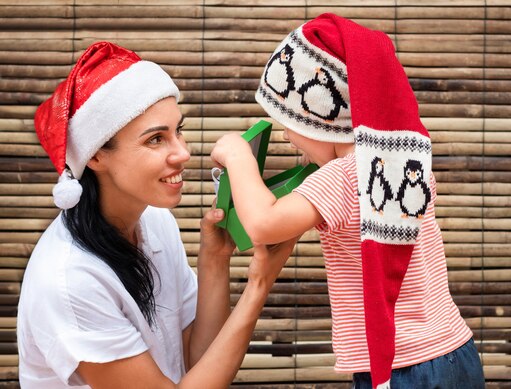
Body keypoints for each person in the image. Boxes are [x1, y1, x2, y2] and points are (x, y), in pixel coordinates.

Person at [211, 13, 485, 389]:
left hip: (403, 368)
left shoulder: (343, 177)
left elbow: (261, 223)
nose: (288, 138)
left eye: (288, 121)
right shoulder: (403, 161)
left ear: (318, 115)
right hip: (456, 352)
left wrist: (238, 155)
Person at [17, 41, 297, 389]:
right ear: (96, 156)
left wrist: (215, 258)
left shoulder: (153, 221)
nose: (182, 152)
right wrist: (259, 285)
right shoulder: (70, 282)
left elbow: (197, 360)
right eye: (155, 140)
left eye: (178, 130)